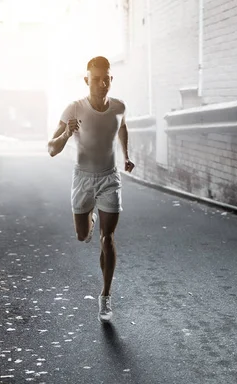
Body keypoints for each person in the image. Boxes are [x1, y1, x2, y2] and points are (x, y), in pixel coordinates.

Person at [47, 56, 135, 322]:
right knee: (82, 234)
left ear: (111, 78)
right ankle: (90, 217)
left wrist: (126, 155)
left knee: (107, 238)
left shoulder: (119, 107)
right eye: (95, 79)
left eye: (105, 78)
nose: (101, 83)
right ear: (87, 80)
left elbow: (122, 128)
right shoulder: (74, 109)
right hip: (83, 178)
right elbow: (52, 149)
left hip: (110, 177)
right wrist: (65, 134)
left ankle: (105, 298)